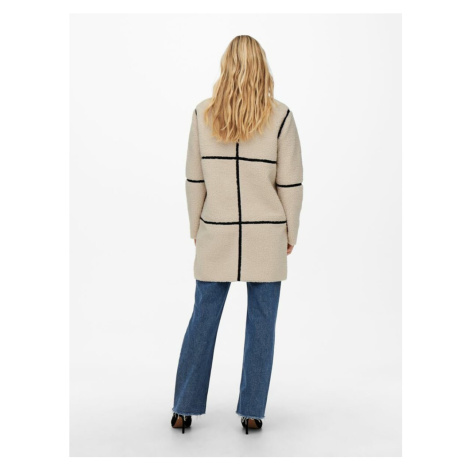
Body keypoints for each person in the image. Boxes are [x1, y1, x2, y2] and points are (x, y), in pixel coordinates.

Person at [171, 35, 303, 434]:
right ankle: (252, 412)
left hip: (216, 231)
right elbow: (290, 183)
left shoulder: (203, 113)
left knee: (203, 318)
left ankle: (183, 409)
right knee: (262, 323)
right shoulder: (280, 116)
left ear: (225, 65)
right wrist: (290, 231)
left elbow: (195, 179)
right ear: (263, 66)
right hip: (268, 234)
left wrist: (196, 228)